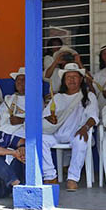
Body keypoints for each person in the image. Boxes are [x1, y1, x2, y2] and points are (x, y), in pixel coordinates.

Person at [42, 63, 98, 192]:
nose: (71, 79)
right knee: (39, 139)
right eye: (68, 77)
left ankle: (72, 178)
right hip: (57, 134)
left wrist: (85, 128)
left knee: (81, 139)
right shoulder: (58, 97)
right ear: (64, 80)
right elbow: (44, 116)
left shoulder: (89, 96)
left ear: (81, 79)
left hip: (78, 132)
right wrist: (50, 119)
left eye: (75, 76)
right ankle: (50, 176)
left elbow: (93, 116)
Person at [0, 67, 27, 139]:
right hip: (6, 130)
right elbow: (0, 115)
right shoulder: (9, 98)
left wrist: (22, 120)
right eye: (18, 79)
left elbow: (40, 120)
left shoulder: (35, 99)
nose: (20, 82)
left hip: (23, 130)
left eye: (23, 79)